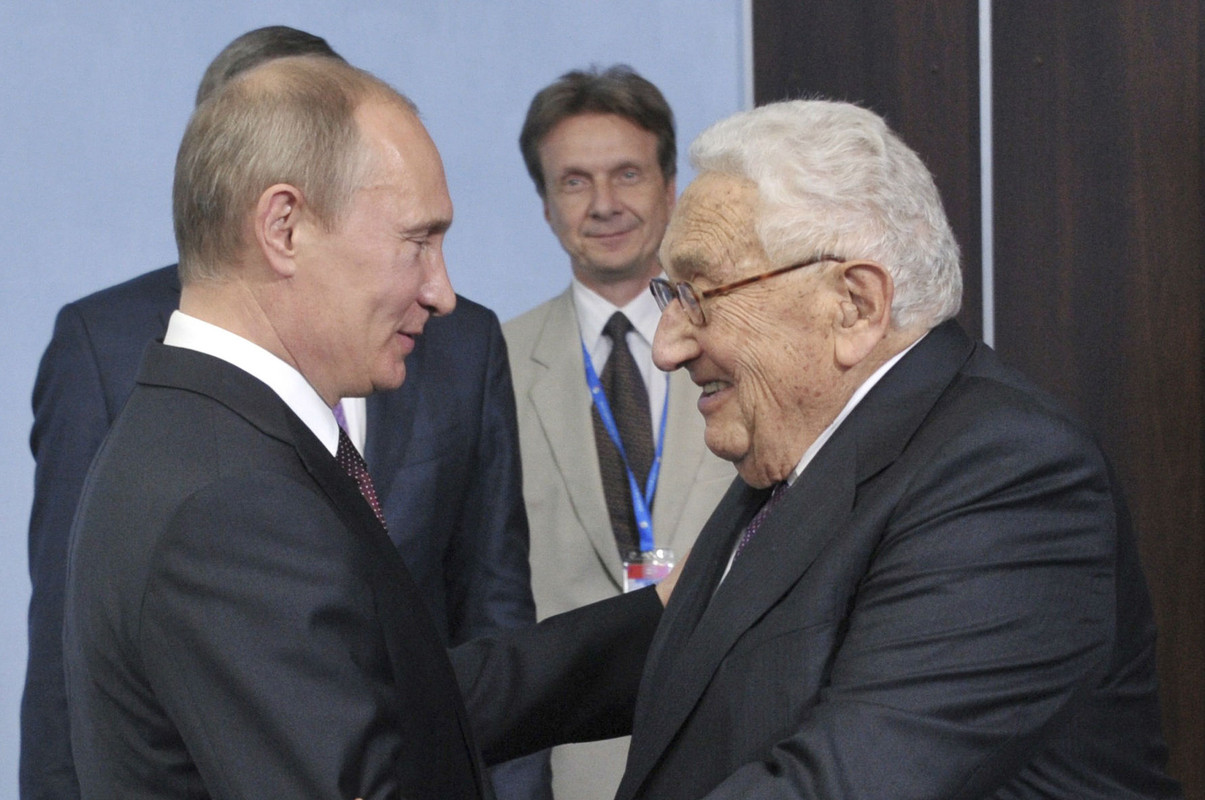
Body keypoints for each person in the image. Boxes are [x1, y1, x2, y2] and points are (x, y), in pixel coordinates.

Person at [63, 55, 666, 799]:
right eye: (417, 242)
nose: (442, 292)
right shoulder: (234, 503)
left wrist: (672, 619)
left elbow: (391, 697)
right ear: (284, 228)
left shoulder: (206, 435)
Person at [610, 98, 1184, 799]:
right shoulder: (805, 451)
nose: (667, 345)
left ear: (853, 305)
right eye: (669, 296)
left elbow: (845, 782)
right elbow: (684, 652)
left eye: (700, 294)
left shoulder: (1008, 474)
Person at [504, 65, 733, 800]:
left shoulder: (741, 343)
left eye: (626, 174)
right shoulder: (492, 364)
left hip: (736, 746)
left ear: (670, 188)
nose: (604, 204)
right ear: (545, 205)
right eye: (574, 181)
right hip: (567, 762)